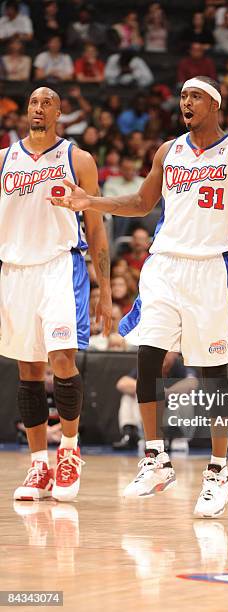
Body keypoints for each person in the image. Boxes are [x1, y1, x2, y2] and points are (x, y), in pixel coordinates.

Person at [49, 75, 228, 518]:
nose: (185, 102)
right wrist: (89, 201)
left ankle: (216, 471)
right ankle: (155, 459)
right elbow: (139, 202)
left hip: (214, 271)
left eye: (194, 97)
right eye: (183, 96)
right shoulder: (168, 151)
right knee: (148, 357)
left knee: (213, 378)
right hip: (166, 265)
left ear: (214, 105)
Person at [0, 87, 112, 502]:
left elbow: (96, 227)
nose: (38, 108)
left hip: (60, 267)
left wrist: (104, 290)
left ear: (60, 113)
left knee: (62, 359)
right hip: (14, 271)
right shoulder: (5, 160)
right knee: (27, 370)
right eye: (33, 102)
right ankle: (38, 466)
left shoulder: (77, 159)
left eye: (47, 102)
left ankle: (68, 450)